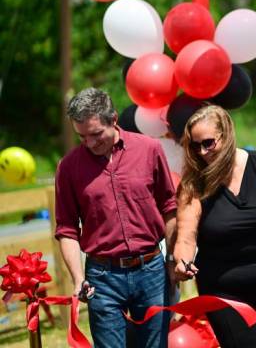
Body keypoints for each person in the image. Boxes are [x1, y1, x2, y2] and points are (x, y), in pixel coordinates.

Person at [172, 104, 256, 348]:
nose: (202, 152)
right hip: (224, 291)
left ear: (225, 136)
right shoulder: (194, 183)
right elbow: (186, 235)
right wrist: (182, 260)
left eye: (208, 143)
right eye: (194, 146)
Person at [55, 87, 177, 348]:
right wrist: (78, 278)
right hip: (102, 278)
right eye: (82, 137)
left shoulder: (149, 149)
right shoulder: (68, 167)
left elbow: (169, 207)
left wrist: (173, 259)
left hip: (152, 271)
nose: (90, 143)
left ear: (114, 119)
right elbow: (66, 229)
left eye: (96, 134)